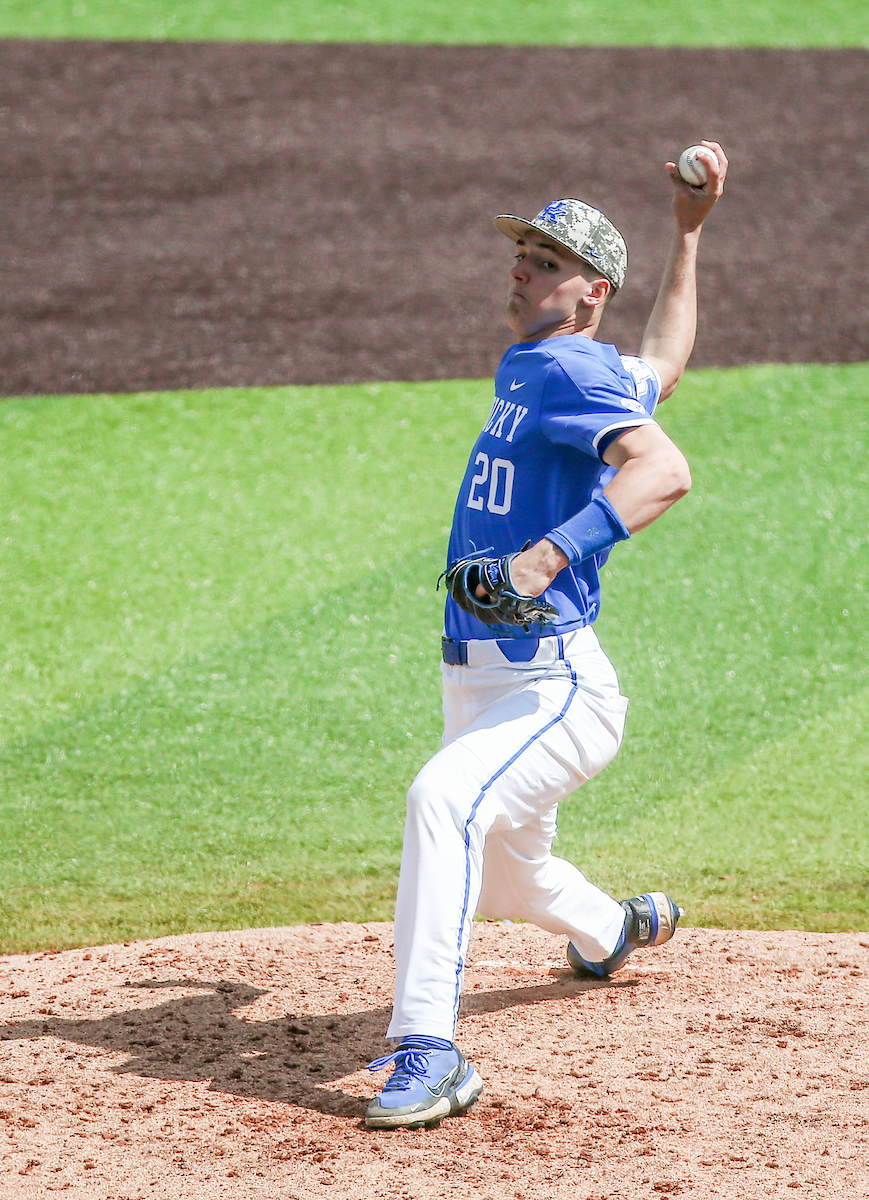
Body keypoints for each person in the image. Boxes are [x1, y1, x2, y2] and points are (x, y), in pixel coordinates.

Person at [365, 143, 728, 1131]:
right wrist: (688, 238)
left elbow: (663, 472)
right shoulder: (551, 364)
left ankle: (430, 1051)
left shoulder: (565, 364)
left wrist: (545, 559)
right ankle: (613, 931)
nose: (524, 262)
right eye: (524, 247)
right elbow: (665, 364)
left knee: (442, 801)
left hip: (552, 686)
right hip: (482, 684)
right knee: (516, 873)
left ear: (590, 291)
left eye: (548, 256)